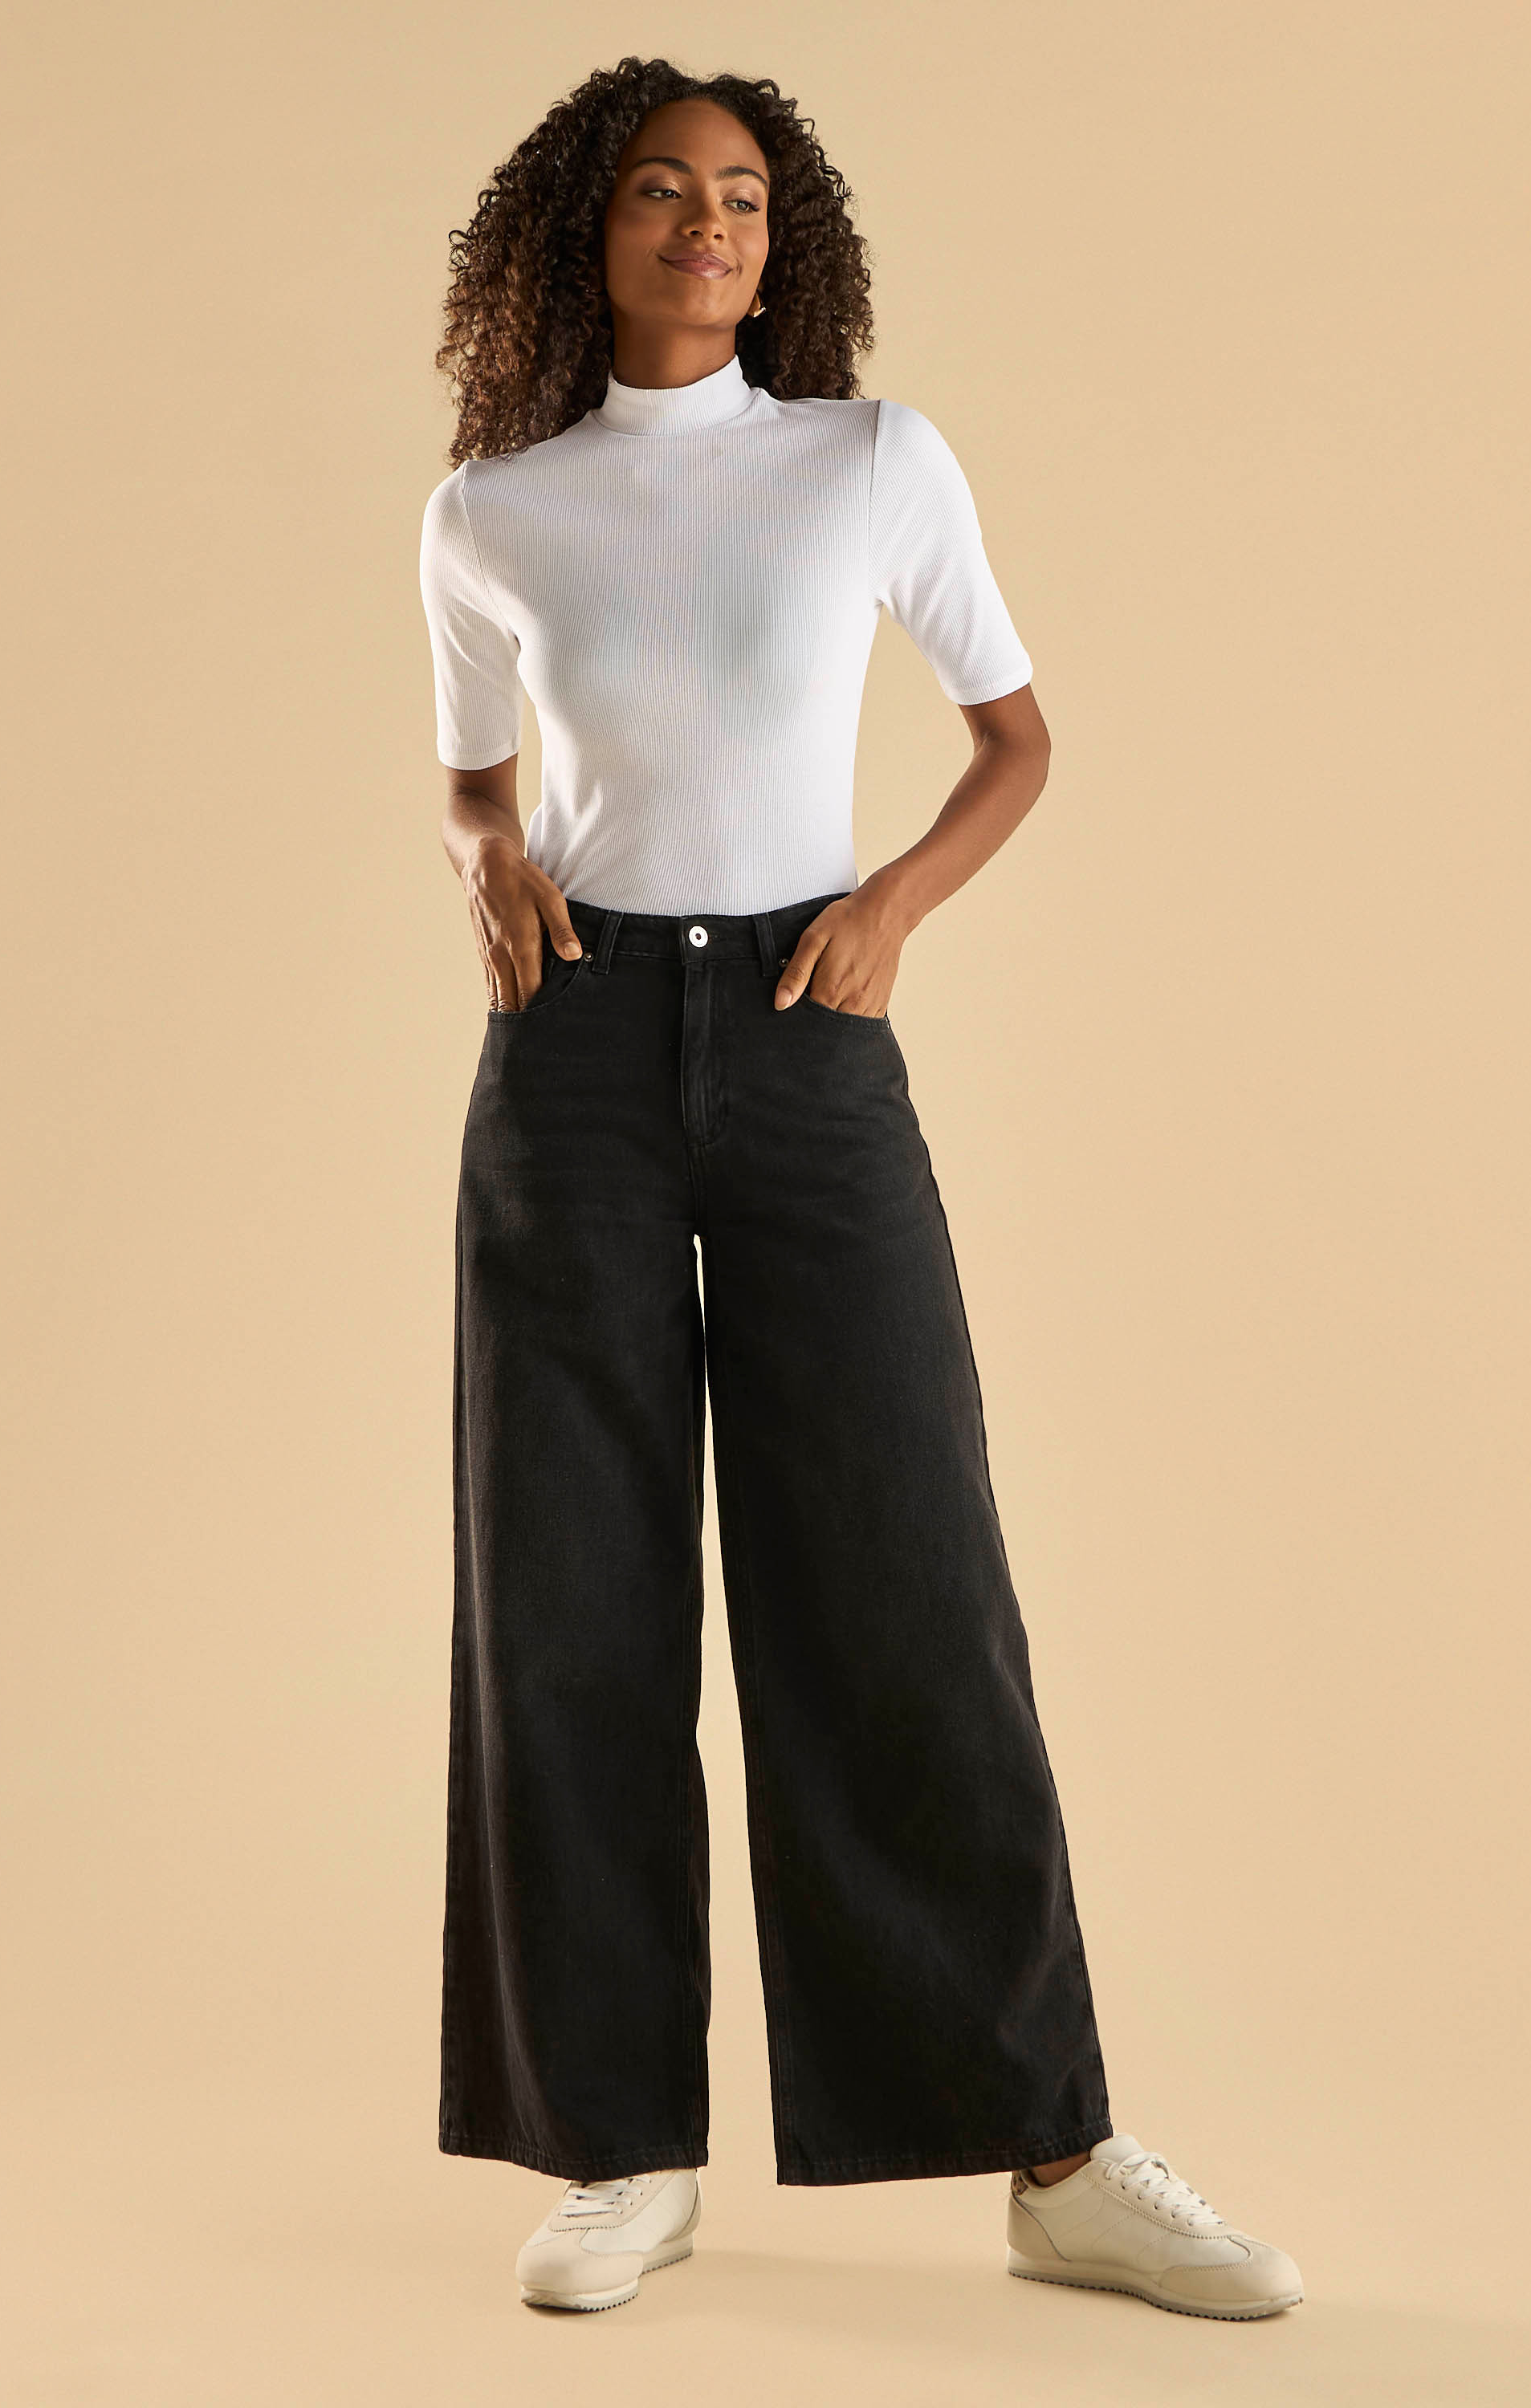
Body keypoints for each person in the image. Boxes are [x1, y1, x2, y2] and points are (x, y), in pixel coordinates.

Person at [417, 57, 1305, 2322]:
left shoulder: (871, 463)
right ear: (585, 229)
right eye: (660, 191)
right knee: (569, 1592)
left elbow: (1018, 740)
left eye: (741, 195)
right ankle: (618, 2147)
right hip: (576, 1056)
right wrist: (484, 852)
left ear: (780, 235)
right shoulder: (494, 510)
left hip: (814, 1038)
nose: (707, 225)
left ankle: (1053, 2151)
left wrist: (893, 905)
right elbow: (475, 781)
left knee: (903, 1568)